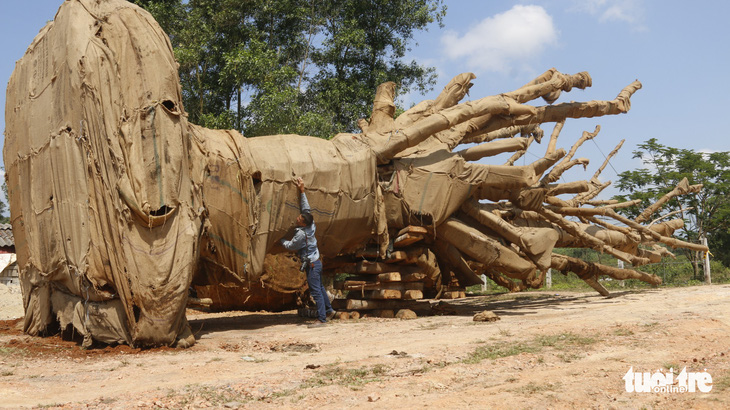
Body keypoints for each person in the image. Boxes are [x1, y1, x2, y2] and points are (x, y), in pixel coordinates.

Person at [280, 177, 335, 326]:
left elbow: (291, 246)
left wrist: (280, 240)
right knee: (320, 287)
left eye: (299, 218)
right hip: (316, 262)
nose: (297, 218)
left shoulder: (301, 234)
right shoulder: (311, 225)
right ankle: (329, 310)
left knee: (316, 291)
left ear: (303, 223)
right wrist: (302, 190)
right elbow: (306, 208)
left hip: (311, 264)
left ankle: (322, 319)